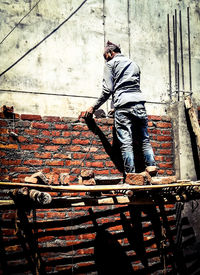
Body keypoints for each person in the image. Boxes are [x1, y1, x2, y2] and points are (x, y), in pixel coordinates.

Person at [84, 41, 157, 177]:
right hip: (139, 104)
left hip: (123, 107)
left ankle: (131, 176)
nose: (105, 59)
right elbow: (131, 87)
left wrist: (94, 106)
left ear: (110, 53)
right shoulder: (134, 64)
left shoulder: (110, 64)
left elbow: (107, 90)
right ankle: (152, 170)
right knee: (145, 140)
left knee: (126, 143)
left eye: (105, 56)